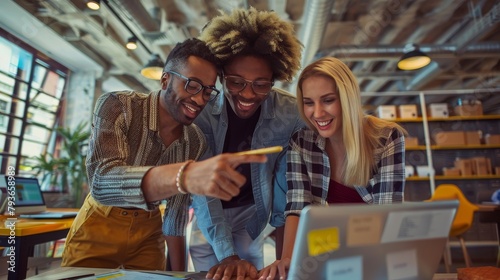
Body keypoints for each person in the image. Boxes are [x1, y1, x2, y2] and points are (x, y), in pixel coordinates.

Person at [61, 38, 268, 270]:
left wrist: (178, 274)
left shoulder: (194, 140)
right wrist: (183, 176)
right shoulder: (118, 106)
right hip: (99, 224)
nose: (200, 99)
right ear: (165, 79)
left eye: (208, 91)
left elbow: (175, 217)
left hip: (149, 232)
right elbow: (101, 181)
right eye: (192, 85)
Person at [258, 57, 408, 280]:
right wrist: (288, 260)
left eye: (327, 100)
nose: (317, 114)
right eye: (309, 103)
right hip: (322, 258)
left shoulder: (386, 139)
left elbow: (386, 216)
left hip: (373, 257)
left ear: (347, 98)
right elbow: (298, 206)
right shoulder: (301, 142)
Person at [184, 7, 305, 280]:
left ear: (274, 79)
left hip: (253, 215)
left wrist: (286, 254)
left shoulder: (290, 113)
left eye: (261, 85)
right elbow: (203, 191)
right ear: (221, 74)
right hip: (208, 213)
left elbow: (287, 183)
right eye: (236, 82)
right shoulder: (201, 113)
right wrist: (227, 254)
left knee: (249, 272)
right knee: (210, 274)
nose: (248, 94)